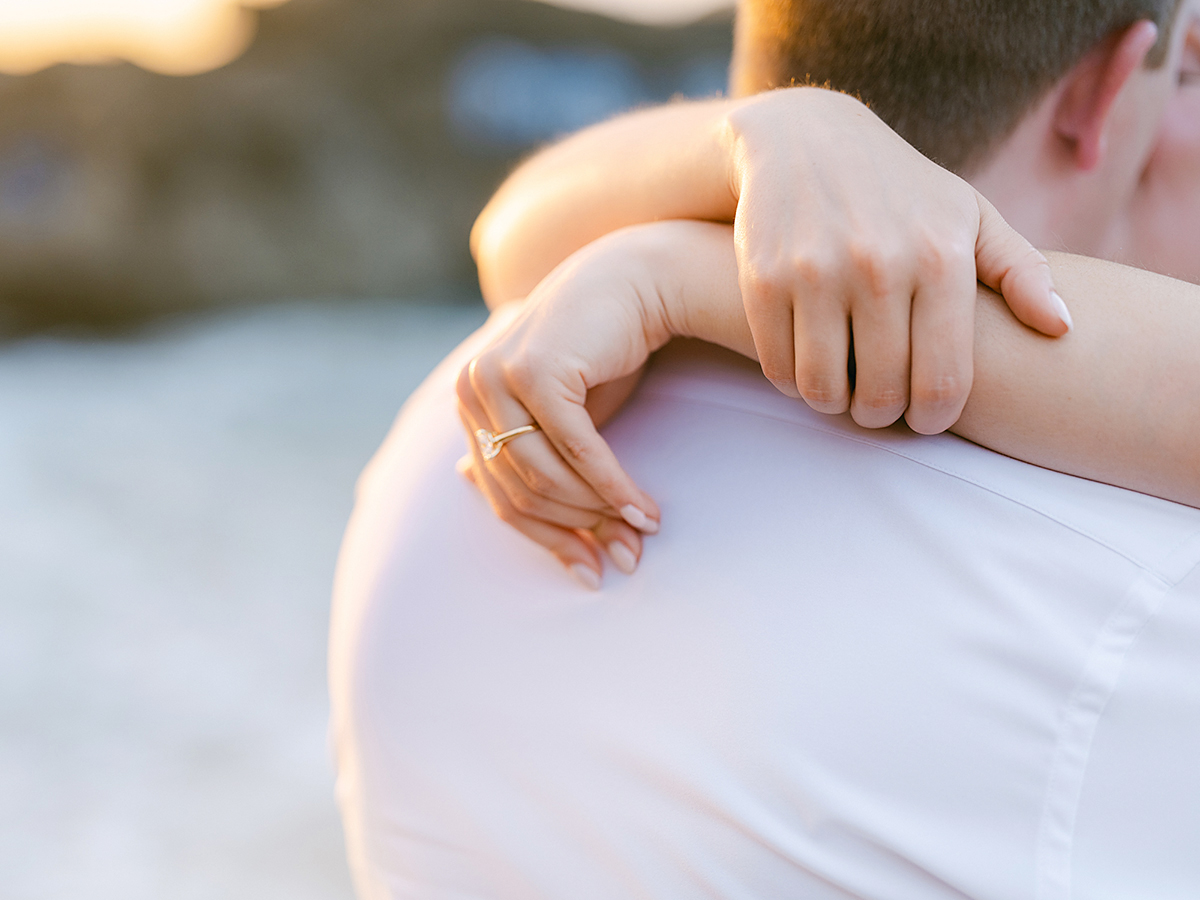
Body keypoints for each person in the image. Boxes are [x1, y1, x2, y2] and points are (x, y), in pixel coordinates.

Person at [330, 2, 1200, 897]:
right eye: (1184, 69)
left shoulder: (465, 412)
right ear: (1099, 91)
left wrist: (690, 249)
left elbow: (509, 233)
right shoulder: (1137, 599)